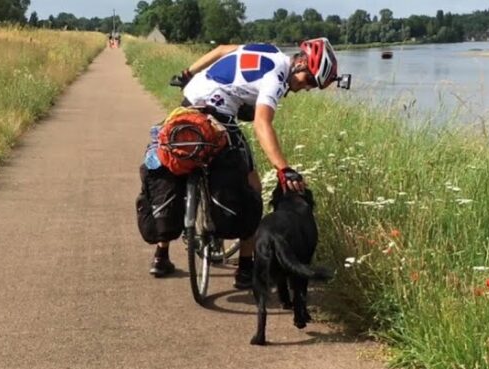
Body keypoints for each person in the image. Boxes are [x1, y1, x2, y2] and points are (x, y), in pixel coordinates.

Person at [147, 38, 346, 289]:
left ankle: (160, 255)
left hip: (189, 104)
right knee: (253, 185)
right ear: (300, 63)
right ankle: (245, 268)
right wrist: (283, 169)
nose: (306, 88)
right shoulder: (275, 79)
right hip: (219, 118)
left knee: (171, 162)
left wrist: (188, 72)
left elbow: (221, 50)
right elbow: (263, 123)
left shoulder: (268, 50)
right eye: (309, 81)